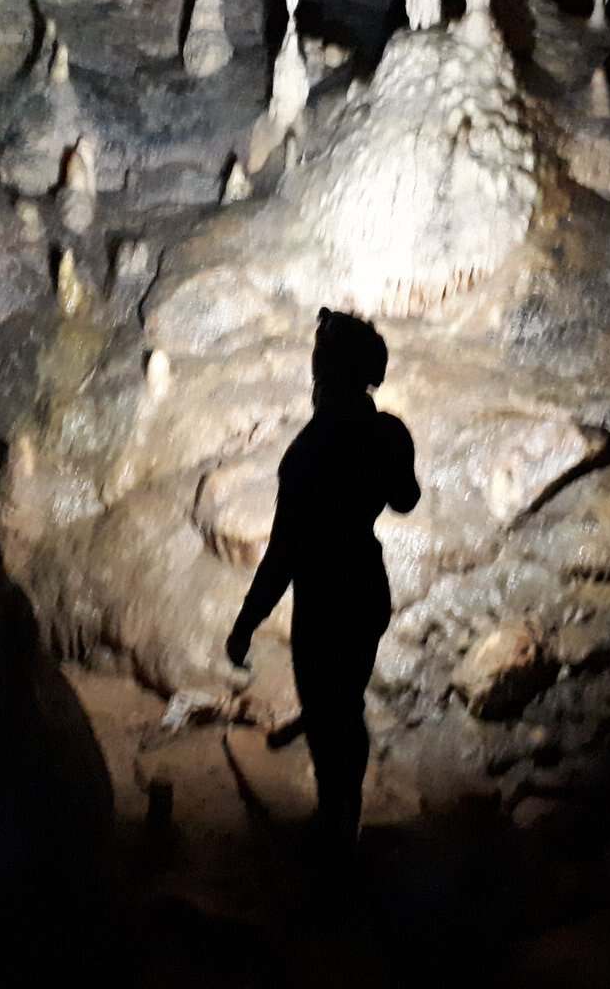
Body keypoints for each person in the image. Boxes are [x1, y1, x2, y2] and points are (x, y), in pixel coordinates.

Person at [226, 307, 420, 860]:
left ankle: (334, 835)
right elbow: (406, 499)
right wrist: (392, 453)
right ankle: (343, 820)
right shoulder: (386, 434)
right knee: (346, 707)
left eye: (318, 365)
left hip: (323, 598)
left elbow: (283, 554)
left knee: (326, 713)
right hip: (364, 586)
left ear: (325, 374)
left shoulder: (307, 453)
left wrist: (245, 624)